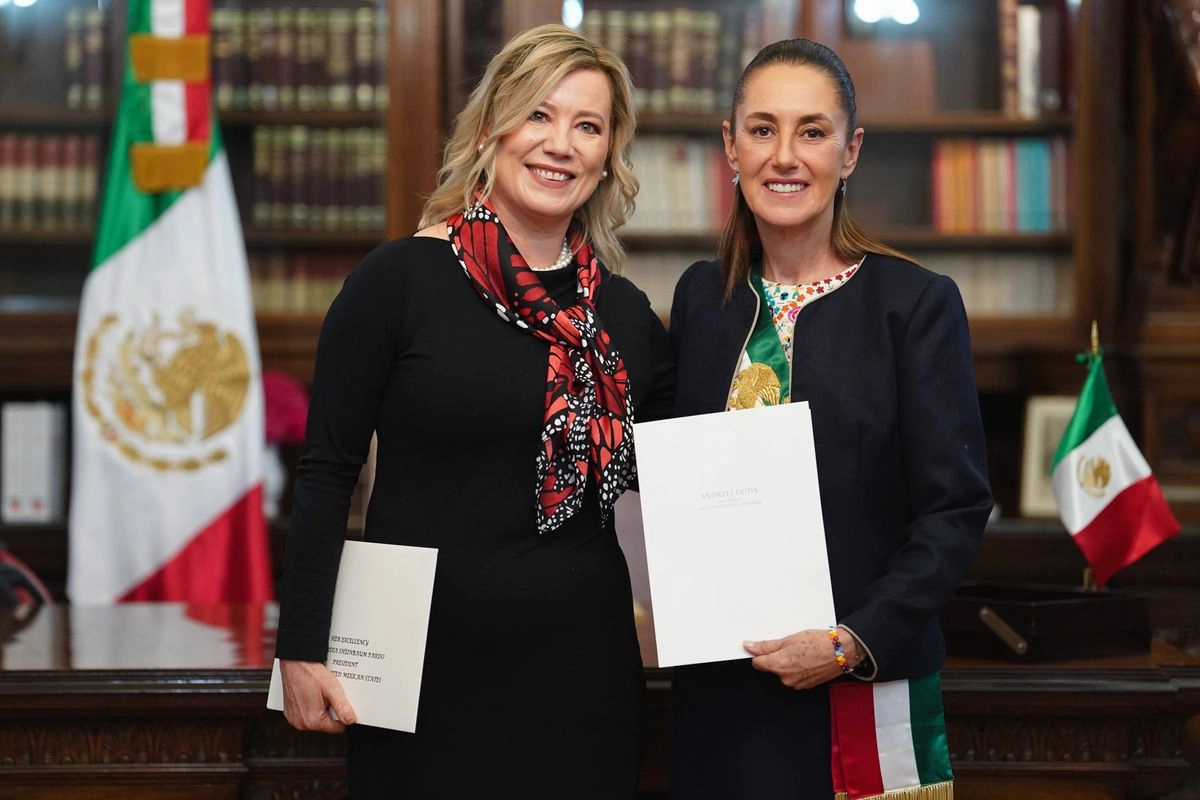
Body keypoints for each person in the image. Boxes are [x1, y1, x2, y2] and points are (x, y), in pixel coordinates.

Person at [273, 23, 674, 799]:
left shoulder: (625, 317)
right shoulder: (398, 282)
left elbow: (686, 476)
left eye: (587, 126)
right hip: (420, 673)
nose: (560, 143)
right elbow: (326, 473)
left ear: (607, 157)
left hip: (582, 679)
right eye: (538, 115)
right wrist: (300, 648)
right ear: (492, 127)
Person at [667, 38, 992, 798]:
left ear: (850, 152)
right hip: (721, 699)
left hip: (861, 688)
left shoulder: (915, 305)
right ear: (731, 146)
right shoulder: (700, 302)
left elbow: (954, 512)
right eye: (762, 129)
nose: (785, 156)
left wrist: (851, 642)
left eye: (812, 132)